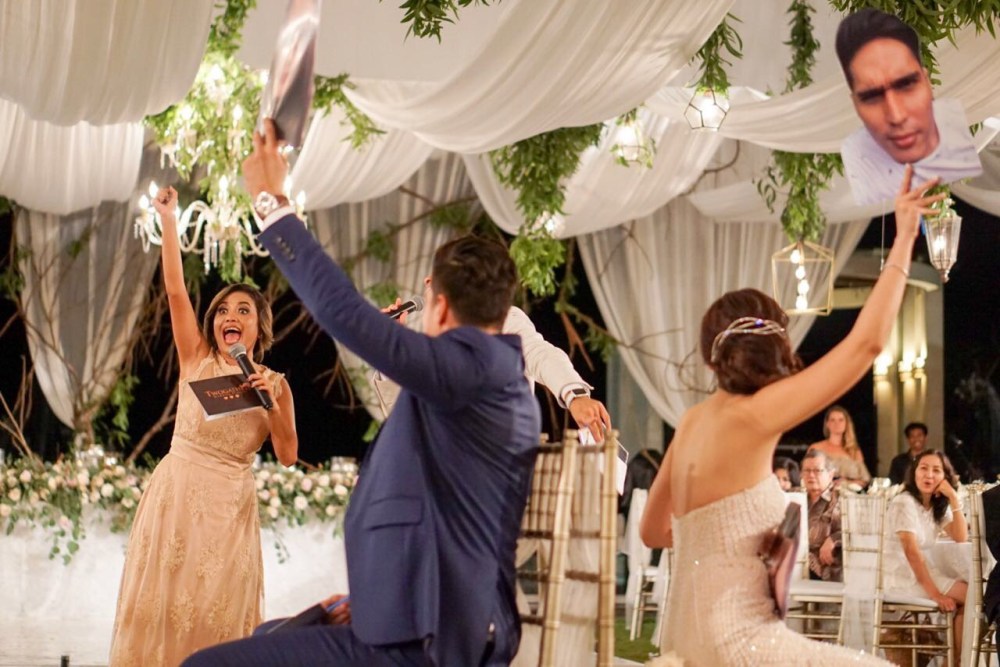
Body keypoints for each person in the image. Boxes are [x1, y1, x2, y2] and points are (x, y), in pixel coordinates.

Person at [183, 119, 542, 666]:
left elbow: (342, 313)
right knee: (269, 633)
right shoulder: (487, 378)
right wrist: (369, 603)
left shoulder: (469, 369)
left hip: (427, 645)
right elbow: (448, 519)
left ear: (441, 307)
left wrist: (272, 203)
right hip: (418, 618)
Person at [639, 165, 941, 665]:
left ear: (712, 359)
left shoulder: (692, 421)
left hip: (688, 640)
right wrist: (905, 237)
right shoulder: (756, 414)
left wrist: (728, 547)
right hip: (738, 641)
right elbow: (866, 344)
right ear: (774, 347)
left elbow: (652, 532)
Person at [110, 187, 298, 666]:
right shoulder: (196, 358)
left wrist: (271, 403)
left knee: (216, 611)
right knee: (165, 605)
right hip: (176, 500)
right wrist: (169, 219)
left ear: (259, 326)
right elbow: (176, 290)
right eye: (223, 311)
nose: (230, 316)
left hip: (230, 512)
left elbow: (287, 455)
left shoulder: (276, 385)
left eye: (243, 311)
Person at [373, 300, 611, 442]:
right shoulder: (427, 344)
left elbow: (539, 354)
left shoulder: (500, 320)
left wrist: (574, 395)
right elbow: (404, 417)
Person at [836, 8, 981, 206]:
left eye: (906, 85)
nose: (896, 116)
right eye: (871, 97)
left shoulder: (959, 154)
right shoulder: (868, 175)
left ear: (927, 82)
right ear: (855, 104)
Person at [882, 449, 968, 657]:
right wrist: (935, 595)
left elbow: (960, 536)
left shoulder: (934, 506)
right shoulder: (904, 502)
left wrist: (953, 498)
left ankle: (955, 660)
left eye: (936, 470)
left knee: (972, 596)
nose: (929, 475)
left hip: (920, 573)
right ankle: (956, 661)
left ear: (945, 477)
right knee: (972, 596)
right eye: (924, 468)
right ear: (914, 472)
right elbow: (911, 552)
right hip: (901, 576)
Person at [801, 451, 842, 582]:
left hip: (827, 572)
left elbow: (856, 531)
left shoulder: (841, 499)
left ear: (830, 475)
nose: (811, 475)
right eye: (807, 470)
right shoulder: (796, 497)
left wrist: (833, 539)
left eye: (817, 470)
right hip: (796, 566)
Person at [808, 405, 871, 488]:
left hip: (850, 494)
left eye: (841, 420)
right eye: (832, 420)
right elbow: (807, 474)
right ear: (827, 424)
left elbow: (865, 480)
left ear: (846, 424)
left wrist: (846, 483)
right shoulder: (816, 448)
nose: (837, 423)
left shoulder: (854, 451)